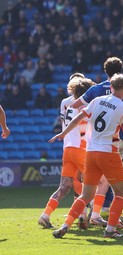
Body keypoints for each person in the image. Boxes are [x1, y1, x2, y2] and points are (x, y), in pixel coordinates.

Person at [50, 74, 123, 239]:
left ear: (111, 87)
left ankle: (65, 225)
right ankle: (110, 230)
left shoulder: (97, 101)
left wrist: (63, 133)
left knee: (86, 195)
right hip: (108, 152)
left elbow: (77, 118)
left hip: (90, 152)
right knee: (120, 192)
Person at [70, 57, 123, 225]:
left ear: (105, 71)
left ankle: (84, 214)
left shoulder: (95, 90)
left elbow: (75, 105)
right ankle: (105, 216)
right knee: (116, 183)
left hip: (91, 141)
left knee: (86, 180)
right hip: (116, 142)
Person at [38, 76, 94, 229]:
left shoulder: (67, 105)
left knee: (65, 186)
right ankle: (93, 216)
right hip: (79, 147)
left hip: (67, 149)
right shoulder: (84, 106)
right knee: (95, 182)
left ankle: (46, 215)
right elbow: (84, 126)